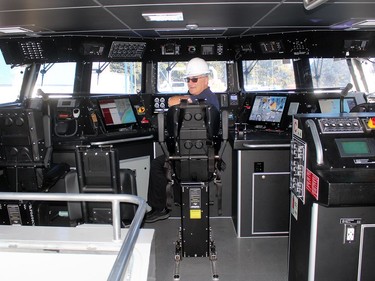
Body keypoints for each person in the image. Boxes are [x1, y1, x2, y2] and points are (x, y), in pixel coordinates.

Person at [145, 57, 220, 223]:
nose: (190, 83)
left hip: (191, 156)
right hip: (201, 154)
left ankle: (160, 208)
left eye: (194, 79)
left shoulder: (202, 99)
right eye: (188, 79)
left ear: (206, 80)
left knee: (158, 164)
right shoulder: (208, 97)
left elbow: (171, 101)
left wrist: (184, 98)